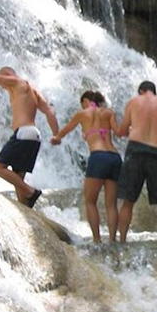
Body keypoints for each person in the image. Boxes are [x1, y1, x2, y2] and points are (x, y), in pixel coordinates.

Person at [0, 57, 58, 208]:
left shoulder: (17, 82)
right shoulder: (33, 91)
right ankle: (26, 207)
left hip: (23, 133)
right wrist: (56, 134)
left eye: (4, 83)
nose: (4, 87)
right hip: (34, 136)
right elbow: (50, 112)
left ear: (8, 74)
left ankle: (32, 191)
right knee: (18, 182)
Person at [51, 90, 123, 243]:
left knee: (90, 201)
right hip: (114, 157)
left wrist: (57, 137)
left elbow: (67, 129)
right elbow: (118, 132)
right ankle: (112, 240)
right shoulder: (109, 113)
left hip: (98, 157)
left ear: (86, 101)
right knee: (111, 203)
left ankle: (97, 240)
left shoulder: (82, 113)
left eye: (82, 102)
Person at [116, 80, 157, 246]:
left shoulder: (134, 102)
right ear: (154, 91)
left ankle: (121, 240)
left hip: (135, 150)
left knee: (128, 200)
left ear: (141, 91)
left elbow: (122, 130)